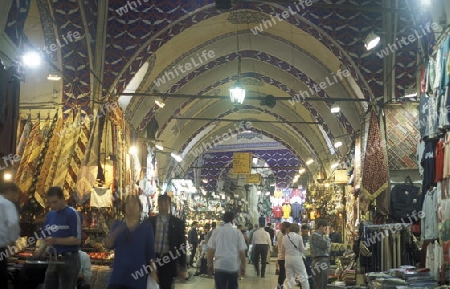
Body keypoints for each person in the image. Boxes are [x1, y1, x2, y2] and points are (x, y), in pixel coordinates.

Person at [104, 194, 157, 289]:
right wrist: (117, 231)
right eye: (128, 204)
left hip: (137, 279)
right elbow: (108, 245)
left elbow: (151, 255)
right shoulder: (117, 225)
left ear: (140, 208)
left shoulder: (146, 228)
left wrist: (153, 272)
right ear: (124, 208)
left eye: (134, 204)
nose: (131, 207)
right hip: (117, 278)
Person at [33, 186, 82, 289]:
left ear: (63, 199)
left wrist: (55, 240)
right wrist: (40, 250)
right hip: (53, 259)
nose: (52, 205)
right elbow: (45, 236)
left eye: (55, 202)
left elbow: (77, 240)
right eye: (50, 203)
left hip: (69, 259)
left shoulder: (72, 214)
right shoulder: (50, 215)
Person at [147, 194, 189, 289]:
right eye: (161, 203)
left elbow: (181, 245)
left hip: (168, 260)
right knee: (151, 285)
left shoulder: (177, 223)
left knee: (166, 285)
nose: (163, 206)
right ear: (158, 204)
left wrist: (182, 266)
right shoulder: (150, 222)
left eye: (165, 203)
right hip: (152, 259)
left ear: (169, 204)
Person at [207, 211, 247, 289]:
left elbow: (211, 250)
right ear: (233, 220)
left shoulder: (216, 231)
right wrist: (243, 267)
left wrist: (210, 265)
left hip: (220, 266)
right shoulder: (237, 232)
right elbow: (242, 252)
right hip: (233, 266)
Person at [0, 182, 20, 289]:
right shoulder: (7, 204)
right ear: (9, 191)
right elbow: (12, 223)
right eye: (14, 194)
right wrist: (12, 242)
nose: (15, 197)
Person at [282, 223, 309, 289]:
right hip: (297, 258)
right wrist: (307, 249)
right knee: (303, 277)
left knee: (289, 278)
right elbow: (302, 249)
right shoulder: (299, 237)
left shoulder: (284, 237)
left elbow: (283, 250)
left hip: (287, 258)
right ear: (297, 229)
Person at [310, 219, 331, 289]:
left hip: (321, 260)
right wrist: (327, 235)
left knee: (321, 283)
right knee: (321, 284)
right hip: (320, 260)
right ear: (321, 226)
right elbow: (326, 244)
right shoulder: (316, 235)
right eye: (326, 228)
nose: (326, 229)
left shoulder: (320, 236)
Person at [276, 222, 290, 289]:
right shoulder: (283, 235)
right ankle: (279, 287)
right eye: (288, 228)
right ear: (286, 228)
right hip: (283, 257)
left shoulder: (280, 233)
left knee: (282, 275)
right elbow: (283, 248)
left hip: (281, 257)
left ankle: (279, 287)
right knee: (282, 275)